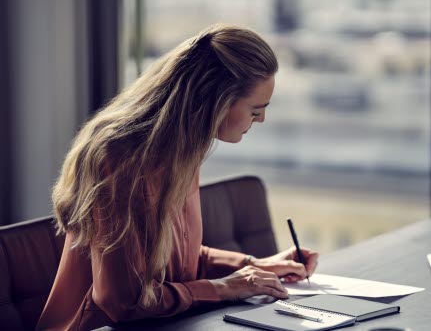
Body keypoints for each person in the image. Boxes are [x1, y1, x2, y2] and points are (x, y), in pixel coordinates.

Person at [36, 24, 319, 331]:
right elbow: (122, 301)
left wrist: (254, 265)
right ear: (217, 98)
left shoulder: (184, 152)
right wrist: (224, 288)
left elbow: (177, 257)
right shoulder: (118, 159)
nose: (262, 119)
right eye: (256, 108)